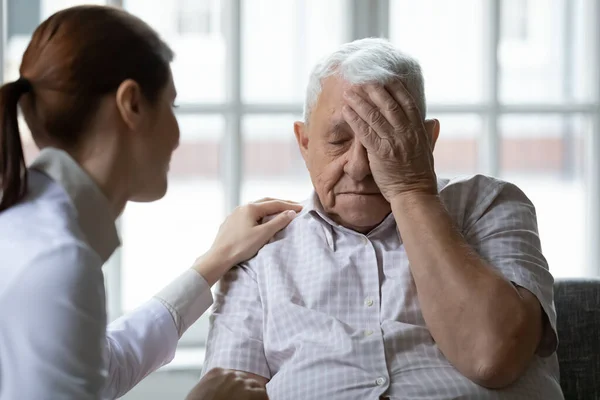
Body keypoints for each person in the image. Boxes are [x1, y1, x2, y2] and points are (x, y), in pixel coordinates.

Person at [201, 38, 565, 399]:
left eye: (383, 140)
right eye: (339, 140)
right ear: (305, 143)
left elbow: (492, 356)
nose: (359, 168)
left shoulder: (489, 204)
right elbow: (225, 395)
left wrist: (410, 189)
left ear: (427, 141)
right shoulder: (260, 250)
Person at [0, 5, 301, 400]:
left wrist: (214, 261)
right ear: (133, 104)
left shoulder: (31, 227)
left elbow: (103, 366)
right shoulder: (58, 262)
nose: (177, 136)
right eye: (172, 107)